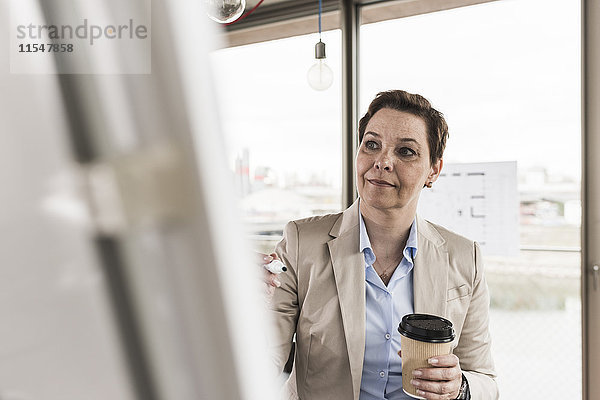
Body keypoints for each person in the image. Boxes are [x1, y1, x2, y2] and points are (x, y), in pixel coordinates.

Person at [263, 90, 498, 400]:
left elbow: (485, 378)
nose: (383, 162)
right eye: (371, 145)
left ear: (434, 170)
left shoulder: (465, 257)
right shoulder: (300, 243)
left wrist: (460, 387)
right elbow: (261, 364)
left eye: (406, 151)